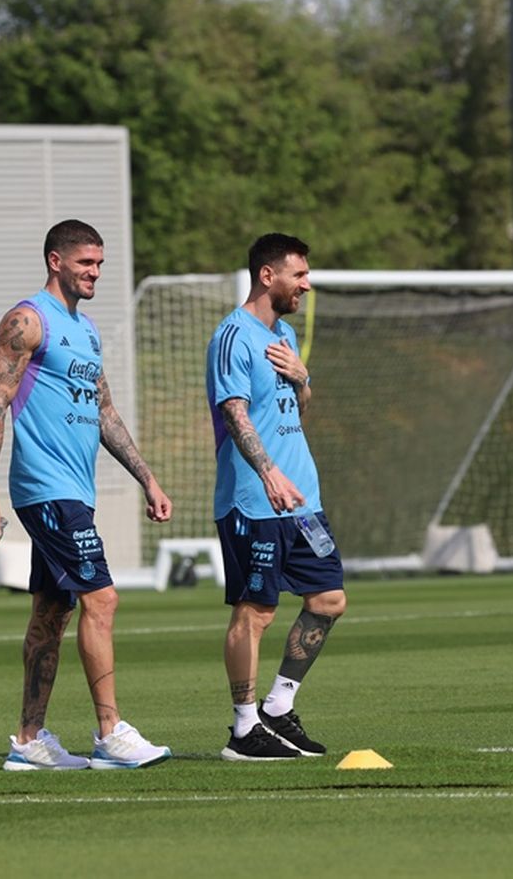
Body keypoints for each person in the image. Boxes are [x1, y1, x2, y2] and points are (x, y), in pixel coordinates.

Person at [0, 219, 173, 771]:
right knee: (101, 600)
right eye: (87, 262)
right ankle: (110, 732)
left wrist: (147, 478)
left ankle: (29, 740)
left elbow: (104, 412)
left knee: (51, 612)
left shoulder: (85, 332)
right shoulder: (27, 320)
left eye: (101, 264)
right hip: (45, 487)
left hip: (74, 490)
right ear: (56, 261)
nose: (95, 273)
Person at [205, 233, 347, 762]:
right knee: (256, 612)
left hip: (303, 500)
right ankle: (244, 729)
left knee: (329, 601)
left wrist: (303, 377)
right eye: (300, 275)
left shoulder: (283, 334)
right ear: (268, 276)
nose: (307, 285)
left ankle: (279, 707)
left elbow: (295, 408)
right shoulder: (232, 336)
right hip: (254, 500)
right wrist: (267, 473)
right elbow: (235, 413)